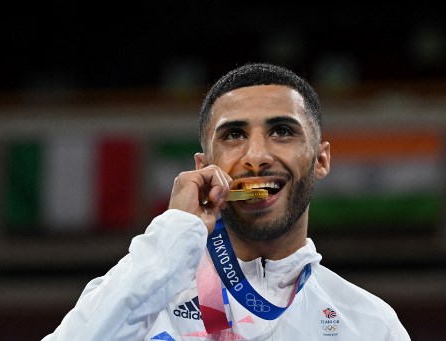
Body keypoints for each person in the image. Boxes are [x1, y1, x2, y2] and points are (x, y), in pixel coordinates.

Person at [42, 63, 411, 340]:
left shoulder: (369, 324)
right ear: (204, 167)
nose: (256, 155)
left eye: (282, 131)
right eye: (234, 135)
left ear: (320, 160)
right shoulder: (143, 294)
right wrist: (173, 236)